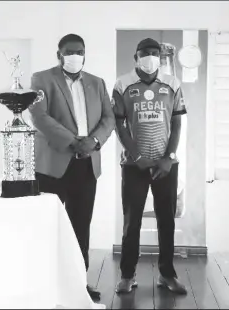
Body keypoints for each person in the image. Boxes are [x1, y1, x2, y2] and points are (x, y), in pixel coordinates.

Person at [28, 34, 115, 301]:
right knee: (49, 228)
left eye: (80, 51)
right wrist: (73, 142)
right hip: (52, 165)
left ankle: (78, 285)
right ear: (59, 54)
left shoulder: (97, 83)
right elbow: (40, 116)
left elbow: (108, 117)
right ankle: (48, 286)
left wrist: (94, 141)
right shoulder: (41, 79)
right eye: (69, 52)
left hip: (86, 166)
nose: (75, 56)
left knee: (80, 228)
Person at [112, 38, 187, 295]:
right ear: (136, 57)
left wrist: (169, 157)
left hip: (166, 164)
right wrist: (136, 155)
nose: (150, 57)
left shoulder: (172, 83)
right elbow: (119, 124)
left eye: (155, 53)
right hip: (134, 165)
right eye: (145, 53)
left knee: (166, 220)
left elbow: (177, 123)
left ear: (160, 57)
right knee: (131, 222)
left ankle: (167, 275)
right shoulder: (122, 84)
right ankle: (127, 275)